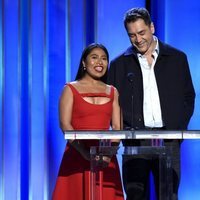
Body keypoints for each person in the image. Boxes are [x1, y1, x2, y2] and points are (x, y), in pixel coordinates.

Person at [108, 7, 195, 200]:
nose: (138, 40)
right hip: (134, 141)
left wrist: (177, 128)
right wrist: (123, 133)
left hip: (168, 139)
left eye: (141, 33)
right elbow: (111, 103)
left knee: (168, 196)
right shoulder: (118, 65)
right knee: (135, 195)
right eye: (132, 35)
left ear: (152, 27)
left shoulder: (177, 58)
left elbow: (188, 96)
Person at [52, 43, 124, 200]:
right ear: (84, 63)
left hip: (105, 158)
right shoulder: (70, 88)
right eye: (94, 57)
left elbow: (118, 127)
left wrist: (108, 154)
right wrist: (85, 154)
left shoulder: (113, 91)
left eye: (104, 59)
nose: (100, 62)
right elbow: (65, 125)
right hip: (77, 155)